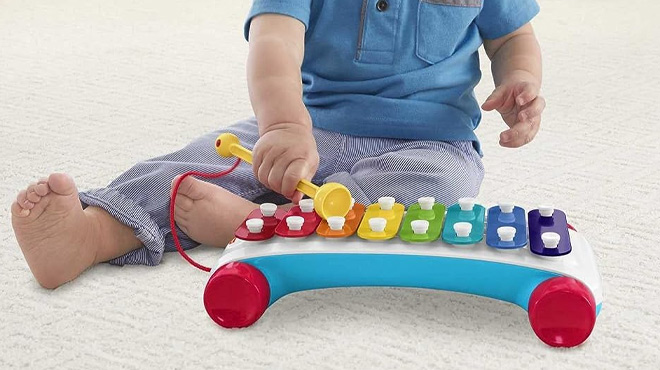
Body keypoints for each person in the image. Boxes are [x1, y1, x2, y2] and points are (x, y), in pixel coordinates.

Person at [11, 0, 544, 289]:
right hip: (306, 123)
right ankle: (92, 235)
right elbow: (273, 41)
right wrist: (284, 124)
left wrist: (520, 82)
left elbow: (512, 37)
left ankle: (257, 225)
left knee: (439, 187)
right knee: (202, 160)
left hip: (429, 142)